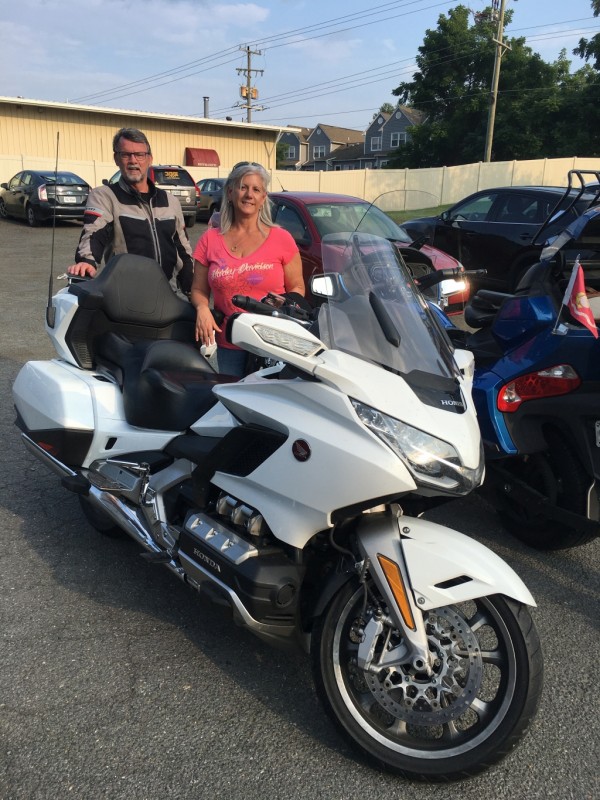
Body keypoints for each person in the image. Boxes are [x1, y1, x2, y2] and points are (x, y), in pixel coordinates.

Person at [191, 162, 305, 376]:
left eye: (256, 189)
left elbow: (297, 287)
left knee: (270, 404)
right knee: (234, 402)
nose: (248, 195)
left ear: (263, 198)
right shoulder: (209, 240)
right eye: (243, 187)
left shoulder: (282, 239)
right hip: (230, 342)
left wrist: (285, 305)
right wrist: (202, 309)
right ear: (231, 192)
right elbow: (198, 290)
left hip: (272, 343)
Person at [67, 127, 194, 296]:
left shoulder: (170, 201)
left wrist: (193, 289)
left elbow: (183, 249)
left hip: (168, 295)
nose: (133, 160)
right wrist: (87, 261)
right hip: (127, 297)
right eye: (126, 155)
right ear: (116, 159)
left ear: (149, 159)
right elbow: (93, 233)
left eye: (140, 155)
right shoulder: (105, 196)